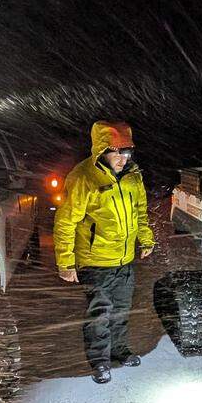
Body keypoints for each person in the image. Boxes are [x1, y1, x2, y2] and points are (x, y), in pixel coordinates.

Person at [53, 121, 155, 384]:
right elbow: (66, 222)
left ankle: (120, 351)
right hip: (95, 262)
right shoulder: (83, 177)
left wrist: (145, 239)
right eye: (117, 152)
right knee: (99, 314)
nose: (123, 158)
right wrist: (66, 262)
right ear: (101, 151)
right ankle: (99, 361)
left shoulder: (133, 176)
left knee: (121, 310)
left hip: (124, 259)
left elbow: (140, 213)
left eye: (128, 152)